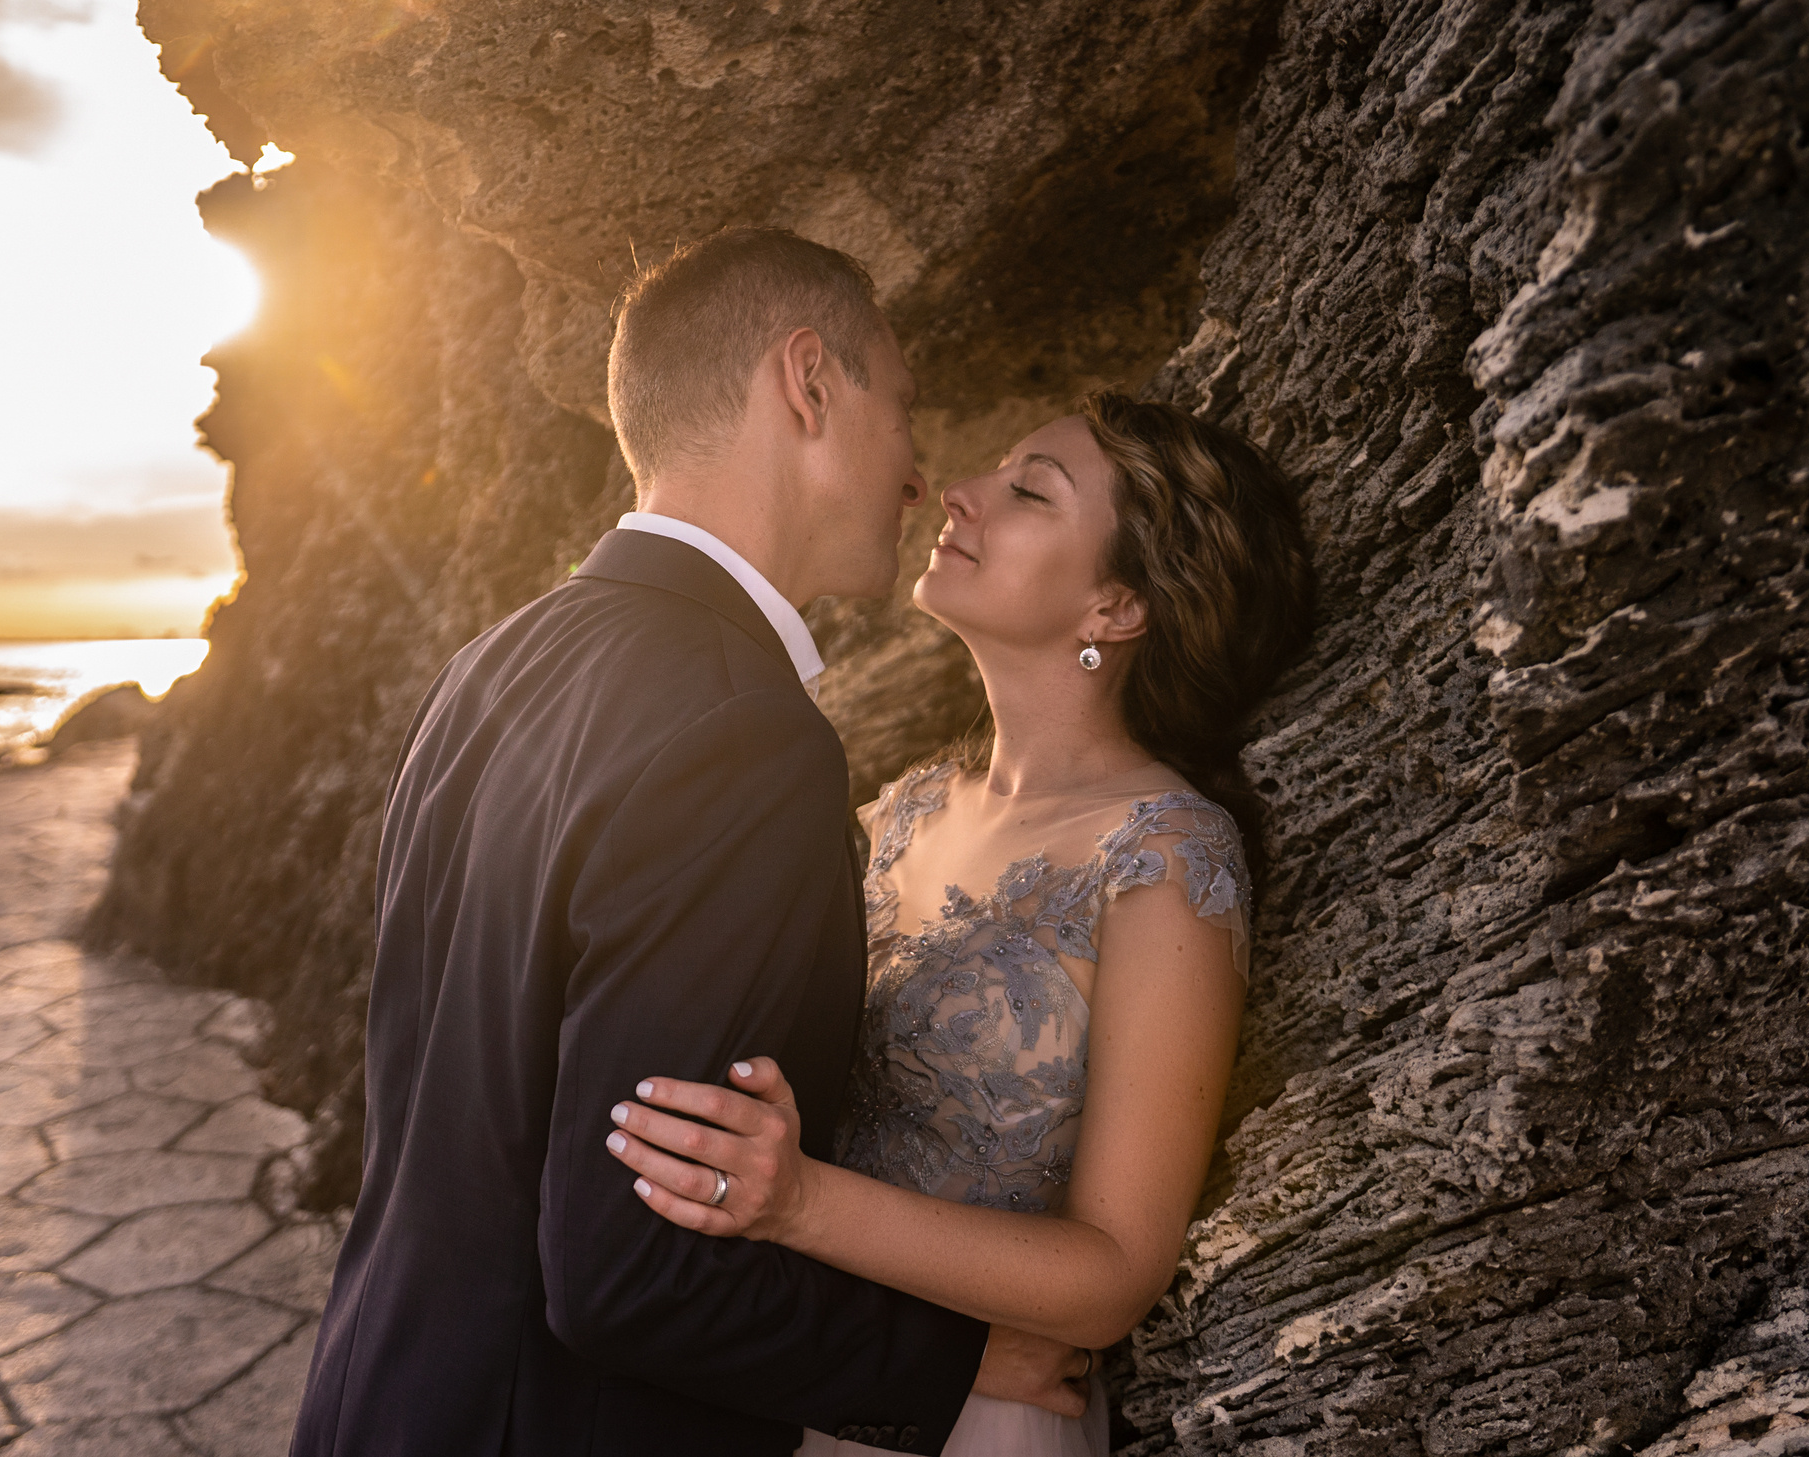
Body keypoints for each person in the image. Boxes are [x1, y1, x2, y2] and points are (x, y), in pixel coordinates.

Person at [290, 229, 1088, 1457]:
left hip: (377, 1398)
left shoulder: (488, 665)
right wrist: (957, 1361)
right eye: (903, 406)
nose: (917, 474)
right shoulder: (742, 733)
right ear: (807, 383)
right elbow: (634, 1273)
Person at [602, 392, 1316, 1455]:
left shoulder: (1165, 857)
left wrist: (799, 1202)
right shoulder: (903, 808)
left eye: (1029, 490)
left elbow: (1115, 1272)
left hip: (983, 1423)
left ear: (1117, 607)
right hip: (806, 1375)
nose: (959, 492)